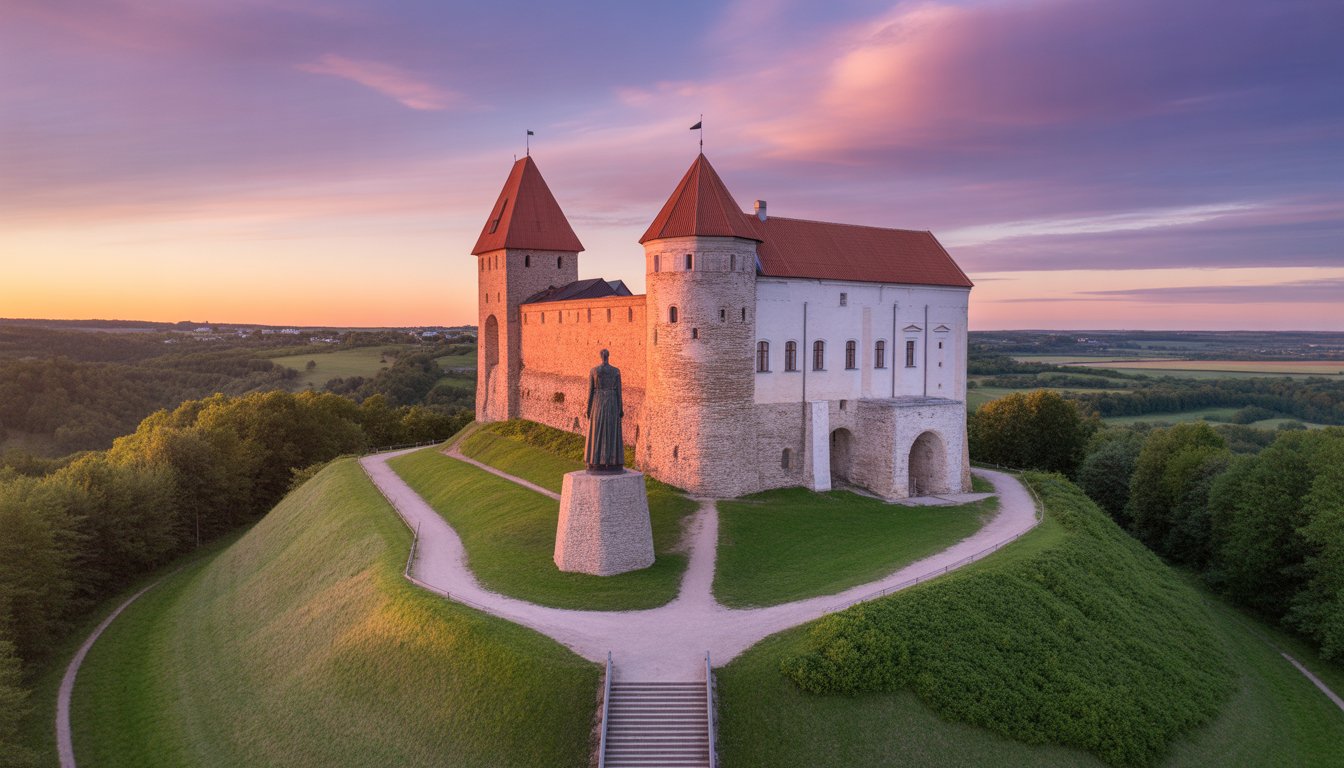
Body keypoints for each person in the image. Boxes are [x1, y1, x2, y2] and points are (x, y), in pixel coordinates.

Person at [585, 349, 624, 472]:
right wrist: (620, 408)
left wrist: (588, 408)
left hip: (598, 401)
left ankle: (596, 461)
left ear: (600, 356)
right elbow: (619, 392)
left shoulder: (594, 371)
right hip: (612, 401)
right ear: (608, 356)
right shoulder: (616, 371)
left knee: (597, 431)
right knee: (612, 431)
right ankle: (613, 461)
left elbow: (590, 392)